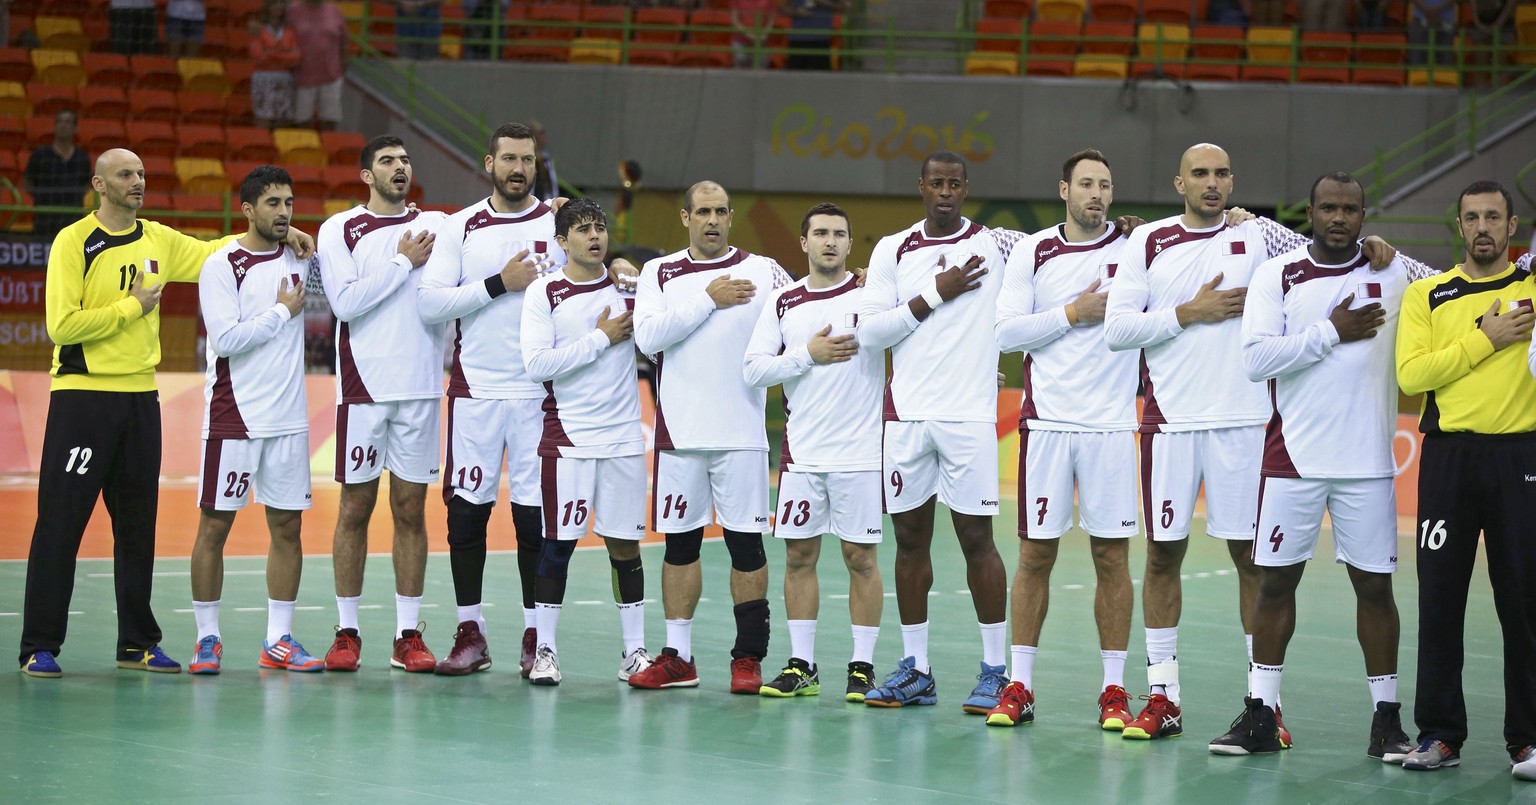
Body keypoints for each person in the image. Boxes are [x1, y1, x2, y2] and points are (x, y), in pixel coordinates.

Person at [1102, 143, 1416, 742]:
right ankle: (1164, 695)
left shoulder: (1265, 241)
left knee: (1256, 563)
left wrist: (1381, 249)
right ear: (1178, 182)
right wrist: (1187, 313)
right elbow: (1118, 331)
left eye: (1222, 173)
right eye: (1200, 173)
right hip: (1170, 424)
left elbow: (1331, 244)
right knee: (1163, 557)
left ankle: (1263, 708)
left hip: (1249, 425)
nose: (1212, 183)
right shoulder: (1146, 242)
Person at [17, 149, 313, 679]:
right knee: (61, 524)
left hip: (140, 400)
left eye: (142, 174)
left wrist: (282, 233)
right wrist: (133, 306)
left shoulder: (156, 237)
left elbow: (218, 251)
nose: (139, 182)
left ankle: (136, 642)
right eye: (126, 175)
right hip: (83, 400)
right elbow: (61, 326)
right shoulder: (74, 242)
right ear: (99, 185)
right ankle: (39, 644)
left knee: (137, 528)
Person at [1206, 172, 1413, 760]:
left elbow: (1447, 285)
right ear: (1311, 212)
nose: (1340, 218)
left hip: (1368, 460)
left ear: (1364, 213)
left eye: (1351, 208)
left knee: (1375, 589)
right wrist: (1331, 331)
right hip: (1292, 458)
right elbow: (1256, 358)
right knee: (1274, 583)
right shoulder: (1278, 275)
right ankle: (1260, 716)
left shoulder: (1390, 272)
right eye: (1329, 208)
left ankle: (1387, 721)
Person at [986, 150, 1140, 730]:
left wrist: (1240, 222)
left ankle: (1115, 691)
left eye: (1105, 184)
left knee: (1112, 558)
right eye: (1086, 184)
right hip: (1047, 425)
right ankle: (1019, 685)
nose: (1096, 194)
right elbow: (1005, 333)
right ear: (1064, 191)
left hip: (1110, 427)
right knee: (1034, 556)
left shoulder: (1136, 247)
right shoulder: (1032, 251)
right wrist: (1072, 312)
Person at [853, 151, 1010, 713]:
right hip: (907, 419)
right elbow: (870, 333)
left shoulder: (998, 244)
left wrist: (1125, 230)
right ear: (920, 186)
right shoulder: (892, 249)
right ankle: (916, 669)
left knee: (977, 540)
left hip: (968, 418)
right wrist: (935, 292)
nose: (945, 191)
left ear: (967, 188)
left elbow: (1065, 242)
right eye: (936, 182)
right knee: (910, 543)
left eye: (955, 183)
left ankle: (996, 671)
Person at [625, 180, 791, 693]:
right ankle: (679, 656)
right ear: (685, 217)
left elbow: (805, 307)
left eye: (721, 211)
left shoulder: (763, 270)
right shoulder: (661, 272)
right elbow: (647, 337)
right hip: (681, 435)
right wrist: (708, 298)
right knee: (681, 547)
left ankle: (748, 658)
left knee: (747, 548)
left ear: (731, 216)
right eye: (703, 212)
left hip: (741, 435)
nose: (713, 220)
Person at [1398, 180, 1536, 779]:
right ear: (1459, 227)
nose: (1483, 226)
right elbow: (1411, 376)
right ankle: (1439, 733)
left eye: (1494, 217)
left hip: (1521, 459)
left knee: (1525, 601)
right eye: (1472, 217)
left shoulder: (1532, 289)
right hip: (1449, 461)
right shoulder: (1427, 294)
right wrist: (1485, 339)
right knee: (1440, 598)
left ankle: (1527, 742)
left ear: (1512, 228)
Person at [418, 122, 561, 677]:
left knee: (534, 523)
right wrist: (500, 283)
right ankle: (470, 631)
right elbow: (430, 305)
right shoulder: (460, 228)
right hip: (476, 393)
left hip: (537, 396)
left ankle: (535, 638)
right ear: (490, 163)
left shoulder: (557, 222)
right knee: (466, 519)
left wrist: (620, 268)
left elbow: (594, 270)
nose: (518, 168)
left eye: (526, 159)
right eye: (509, 159)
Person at [315, 135, 448, 673]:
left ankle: (407, 635)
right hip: (363, 390)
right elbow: (345, 304)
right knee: (354, 508)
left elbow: (494, 228)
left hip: (419, 388)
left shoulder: (439, 225)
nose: (399, 168)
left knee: (411, 510)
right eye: (388, 162)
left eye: (405, 160)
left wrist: (549, 214)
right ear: (366, 175)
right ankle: (347, 633)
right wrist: (399, 261)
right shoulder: (339, 229)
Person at [744, 202, 885, 701]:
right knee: (799, 557)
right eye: (820, 233)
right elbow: (755, 369)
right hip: (803, 456)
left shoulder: (872, 295)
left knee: (860, 559)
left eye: (839, 234)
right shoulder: (783, 302)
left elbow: (918, 338)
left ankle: (862, 667)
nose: (830, 241)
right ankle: (802, 664)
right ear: (803, 243)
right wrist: (808, 355)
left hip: (861, 454)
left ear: (851, 244)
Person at [187, 165, 321, 674]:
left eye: (289, 202)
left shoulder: (300, 254)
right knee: (215, 527)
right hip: (233, 417)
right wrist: (283, 312)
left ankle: (278, 639)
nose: (284, 212)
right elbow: (225, 340)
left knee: (287, 527)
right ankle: (207, 639)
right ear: (247, 209)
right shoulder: (222, 264)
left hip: (288, 420)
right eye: (273, 204)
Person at [519, 198, 651, 686]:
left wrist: (635, 284)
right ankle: (546, 651)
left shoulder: (629, 290)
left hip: (622, 441)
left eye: (599, 228)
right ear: (561, 241)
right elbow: (537, 365)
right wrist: (600, 338)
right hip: (569, 439)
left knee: (626, 546)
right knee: (558, 545)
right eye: (582, 229)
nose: (594, 236)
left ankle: (634, 652)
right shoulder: (544, 292)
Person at [24, 108, 91, 241]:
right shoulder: (40, 155)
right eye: (59, 121)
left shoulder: (82, 158)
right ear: (54, 126)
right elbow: (28, 183)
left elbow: (86, 184)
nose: (63, 125)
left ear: (75, 128)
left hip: (73, 218)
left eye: (67, 122)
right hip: (45, 219)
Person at [288, 0, 348, 131]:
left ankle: (329, 149)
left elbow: (343, 42)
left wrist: (342, 69)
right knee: (302, 121)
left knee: (330, 120)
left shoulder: (334, 10)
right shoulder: (292, 11)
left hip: (331, 75)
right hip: (301, 76)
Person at [249, 0, 301, 130]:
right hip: (263, 78)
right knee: (263, 118)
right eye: (275, 3)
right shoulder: (258, 30)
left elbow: (296, 58)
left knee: (283, 119)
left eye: (281, 3)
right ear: (268, 7)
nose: (279, 6)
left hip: (285, 78)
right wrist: (284, 53)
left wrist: (271, 53)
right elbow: (259, 56)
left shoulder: (290, 31)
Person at [529, 121, 559, 203]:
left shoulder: (546, 156)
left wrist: (555, 196)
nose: (542, 138)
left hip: (547, 197)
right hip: (532, 198)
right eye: (539, 135)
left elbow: (552, 179)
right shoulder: (526, 157)